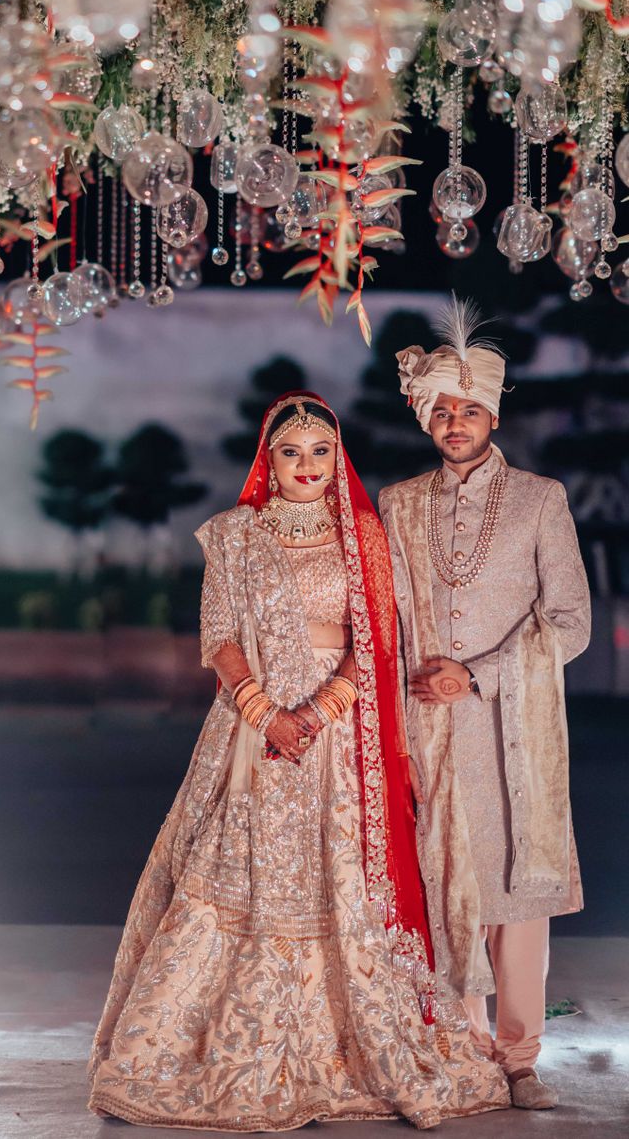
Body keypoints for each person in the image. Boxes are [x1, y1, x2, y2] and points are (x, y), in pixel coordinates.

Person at [88, 392, 508, 1132]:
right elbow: (218, 635)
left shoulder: (363, 537)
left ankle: (348, 1047)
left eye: (320, 450)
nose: (307, 464)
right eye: (291, 451)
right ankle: (185, 1046)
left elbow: (374, 643)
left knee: (336, 878)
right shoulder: (233, 535)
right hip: (249, 733)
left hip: (336, 738)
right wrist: (264, 713)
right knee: (228, 870)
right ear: (268, 460)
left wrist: (313, 713)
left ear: (334, 457)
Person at [379, 298, 591, 1112]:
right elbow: (381, 614)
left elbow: (569, 622)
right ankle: (461, 1053)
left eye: (470, 409)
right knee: (443, 889)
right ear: (428, 416)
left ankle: (520, 1056)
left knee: (517, 891)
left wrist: (482, 676)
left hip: (513, 724)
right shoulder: (397, 504)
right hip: (424, 726)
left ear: (493, 415)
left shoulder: (542, 499)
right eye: (443, 409)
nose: (456, 421)